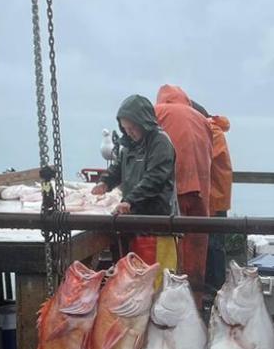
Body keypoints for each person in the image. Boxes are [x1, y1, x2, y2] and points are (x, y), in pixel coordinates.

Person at [93, 94, 178, 268]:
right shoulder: (129, 145)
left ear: (143, 123)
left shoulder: (160, 142)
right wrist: (105, 182)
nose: (129, 132)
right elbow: (118, 167)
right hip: (133, 224)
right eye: (125, 128)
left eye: (132, 128)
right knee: (132, 281)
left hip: (155, 226)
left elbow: (155, 178)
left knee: (156, 282)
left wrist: (130, 201)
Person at [153, 86, 213, 295]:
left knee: (172, 257)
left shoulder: (157, 112)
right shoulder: (203, 119)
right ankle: (195, 307)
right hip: (200, 193)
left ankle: (170, 308)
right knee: (195, 255)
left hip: (173, 191)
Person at [202, 103, 234, 293]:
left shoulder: (212, 132)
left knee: (214, 246)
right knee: (213, 245)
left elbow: (204, 159)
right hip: (215, 196)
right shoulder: (214, 130)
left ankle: (216, 290)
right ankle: (213, 288)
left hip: (214, 199)